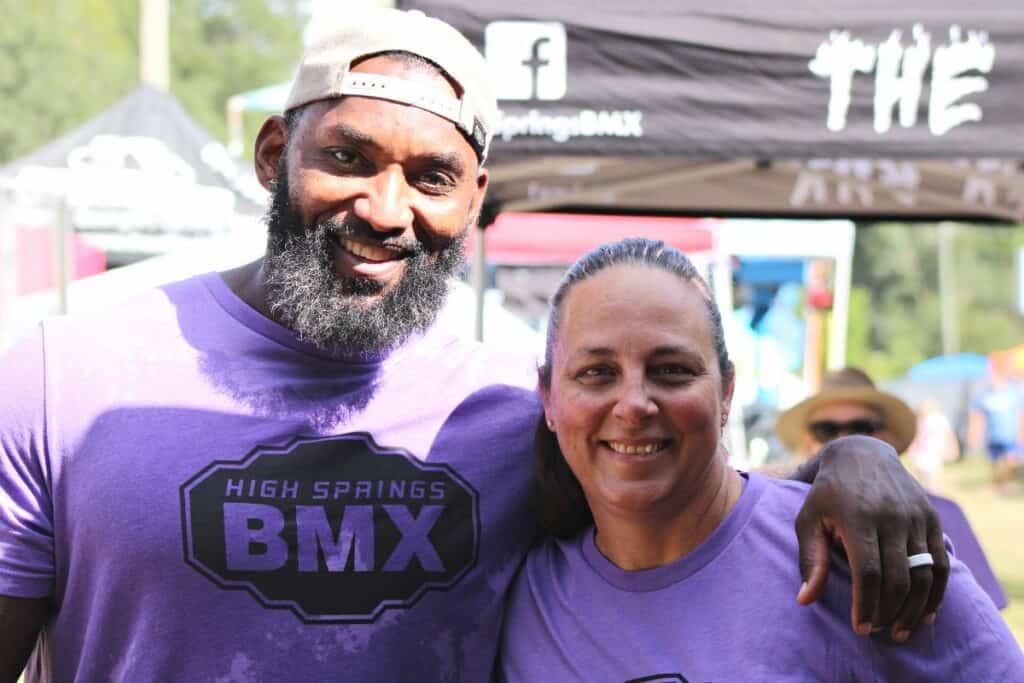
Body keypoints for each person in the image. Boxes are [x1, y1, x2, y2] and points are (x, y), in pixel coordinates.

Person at [0, 9, 946, 681]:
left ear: (476, 201)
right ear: (273, 152)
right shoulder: (63, 378)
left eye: (433, 176)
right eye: (347, 157)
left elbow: (703, 508)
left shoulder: (521, 416)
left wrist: (856, 455)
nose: (384, 208)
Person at [498, 239, 1022, 682]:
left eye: (673, 370)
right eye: (595, 372)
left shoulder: (859, 554)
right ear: (547, 396)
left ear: (727, 391)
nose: (635, 404)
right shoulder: (515, 587)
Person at [776, 367, 1008, 609]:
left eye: (860, 429)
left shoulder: (944, 513)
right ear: (807, 441)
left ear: (886, 438)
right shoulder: (778, 516)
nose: (843, 442)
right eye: (826, 430)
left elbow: (984, 617)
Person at [968, 351, 1023, 494]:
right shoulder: (985, 395)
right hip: (993, 435)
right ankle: (998, 486)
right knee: (995, 463)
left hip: (1010, 435)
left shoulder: (1015, 392)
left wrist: (1021, 433)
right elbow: (976, 415)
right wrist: (974, 436)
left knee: (1012, 462)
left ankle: (1004, 484)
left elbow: (1020, 413)